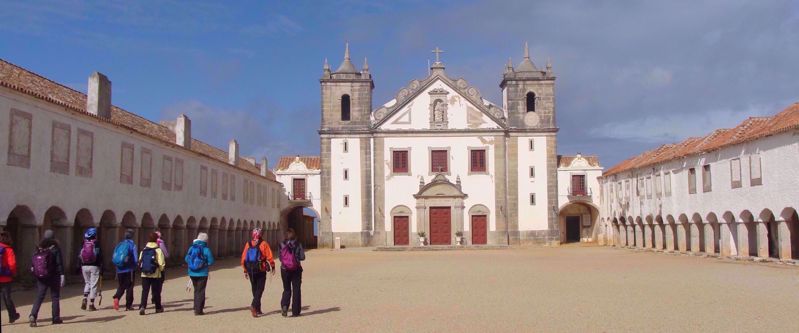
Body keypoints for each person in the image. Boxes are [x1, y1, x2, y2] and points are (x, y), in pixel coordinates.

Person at [29, 229, 65, 327]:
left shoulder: (40, 247)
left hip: (41, 276)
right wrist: (62, 274)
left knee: (39, 296)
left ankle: (33, 315)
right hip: (54, 275)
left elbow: (34, 260)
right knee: (55, 297)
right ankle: (55, 318)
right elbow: (59, 263)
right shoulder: (55, 247)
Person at [240, 228, 274, 318]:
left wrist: (245, 270)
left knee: (254, 289)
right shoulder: (264, 244)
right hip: (260, 268)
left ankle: (257, 310)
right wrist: (272, 266)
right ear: (260, 234)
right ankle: (254, 305)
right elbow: (269, 256)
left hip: (250, 269)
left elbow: (243, 258)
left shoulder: (248, 244)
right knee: (260, 288)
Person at [184, 232, 214, 315]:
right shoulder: (206, 249)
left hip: (192, 273)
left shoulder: (191, 248)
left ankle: (195, 307)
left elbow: (186, 259)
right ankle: (199, 310)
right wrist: (204, 264)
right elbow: (211, 261)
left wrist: (192, 265)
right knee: (201, 291)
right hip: (203, 273)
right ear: (205, 240)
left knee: (196, 290)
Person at [279, 228, 305, 317]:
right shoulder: (298, 244)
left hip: (284, 269)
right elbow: (302, 257)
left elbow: (280, 258)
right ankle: (295, 311)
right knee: (296, 290)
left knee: (286, 289)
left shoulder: (282, 244)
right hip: (296, 269)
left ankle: (285, 306)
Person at [138, 232, 166, 315]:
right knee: (156, 291)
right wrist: (161, 270)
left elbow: (140, 261)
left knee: (145, 291)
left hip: (145, 274)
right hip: (155, 274)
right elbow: (161, 263)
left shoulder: (144, 249)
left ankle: (143, 306)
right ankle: (158, 307)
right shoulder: (158, 250)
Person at [112, 229, 138, 311]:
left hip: (119, 269)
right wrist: (136, 265)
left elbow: (114, 256)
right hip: (129, 269)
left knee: (121, 285)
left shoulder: (120, 244)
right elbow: (136, 259)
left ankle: (117, 297)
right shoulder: (132, 245)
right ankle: (128, 305)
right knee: (130, 287)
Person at [78, 227, 103, 311]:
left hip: (84, 265)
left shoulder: (83, 243)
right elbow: (99, 255)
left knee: (87, 283)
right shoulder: (96, 243)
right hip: (94, 266)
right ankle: (91, 304)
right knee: (93, 284)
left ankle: (85, 298)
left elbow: (79, 255)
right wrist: (101, 265)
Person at [0, 231, 21, 323]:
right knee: (7, 297)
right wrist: (13, 273)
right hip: (5, 277)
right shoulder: (8, 249)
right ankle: (12, 315)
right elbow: (12, 264)